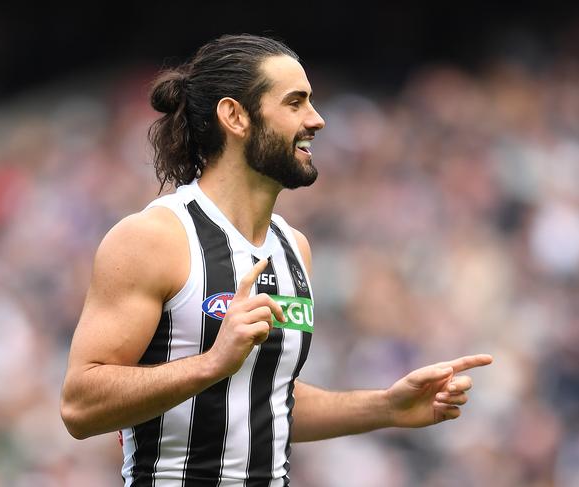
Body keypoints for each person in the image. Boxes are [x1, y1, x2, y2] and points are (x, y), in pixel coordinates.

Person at [60, 33, 493, 486]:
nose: (317, 120)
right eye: (295, 103)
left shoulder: (293, 247)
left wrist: (386, 406)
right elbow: (80, 406)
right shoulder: (153, 238)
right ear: (234, 116)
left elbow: (265, 398)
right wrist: (210, 363)